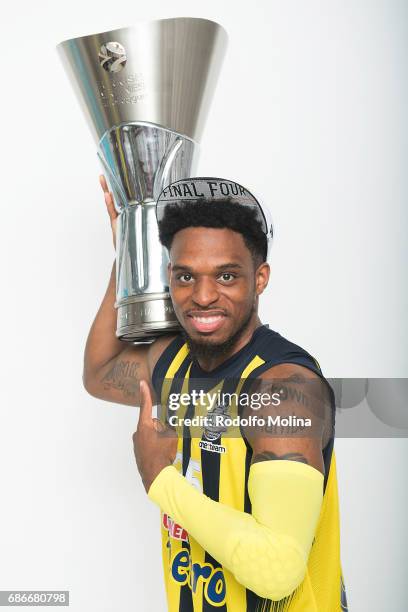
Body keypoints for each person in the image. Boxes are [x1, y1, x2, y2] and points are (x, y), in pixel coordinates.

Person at [84, 176, 348, 612]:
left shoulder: (282, 390)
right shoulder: (173, 362)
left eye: (226, 276)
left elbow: (278, 570)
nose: (203, 297)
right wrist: (126, 256)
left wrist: (159, 479)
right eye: (185, 276)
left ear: (260, 278)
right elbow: (100, 372)